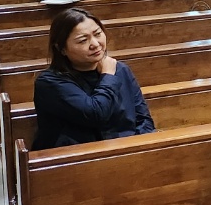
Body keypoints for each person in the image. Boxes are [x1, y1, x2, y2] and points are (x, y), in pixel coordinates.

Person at [32, 8, 154, 150]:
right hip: (76, 157)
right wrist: (108, 75)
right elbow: (96, 114)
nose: (95, 44)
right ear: (61, 49)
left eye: (98, 34)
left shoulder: (121, 70)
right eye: (83, 40)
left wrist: (138, 150)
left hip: (124, 151)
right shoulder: (49, 82)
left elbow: (143, 119)